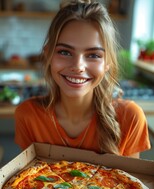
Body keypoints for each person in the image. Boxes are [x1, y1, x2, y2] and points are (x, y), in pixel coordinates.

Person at [14, 0, 151, 158]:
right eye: (65, 52)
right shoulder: (28, 116)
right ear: (48, 54)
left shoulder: (130, 118)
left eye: (93, 55)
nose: (78, 66)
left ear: (108, 63)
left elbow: (129, 182)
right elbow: (28, 180)